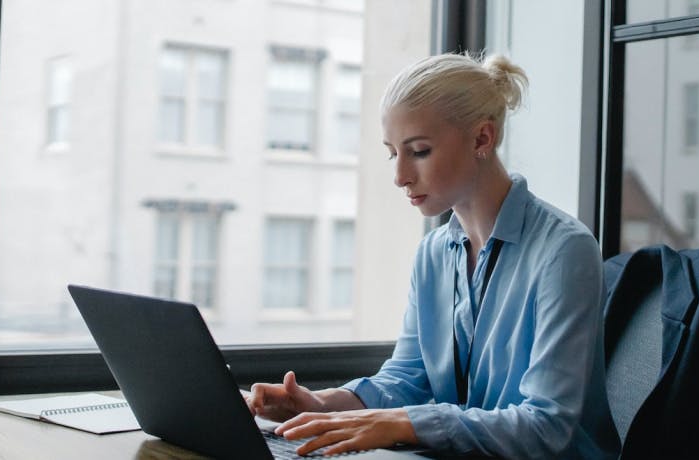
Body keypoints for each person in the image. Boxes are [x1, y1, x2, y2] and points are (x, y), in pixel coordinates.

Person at [247, 53, 620, 459]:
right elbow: (409, 378)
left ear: (482, 139)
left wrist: (405, 423)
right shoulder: (433, 253)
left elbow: (545, 427)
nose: (400, 176)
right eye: (393, 153)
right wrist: (321, 404)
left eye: (419, 151)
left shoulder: (565, 251)